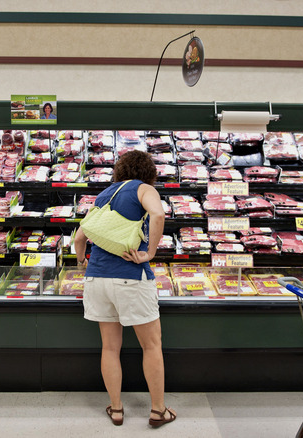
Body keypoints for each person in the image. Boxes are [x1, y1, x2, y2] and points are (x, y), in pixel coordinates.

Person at [74, 150, 176, 428]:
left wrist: (83, 261)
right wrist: (150, 253)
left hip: (97, 280)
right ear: (150, 172)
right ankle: (158, 411)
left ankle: (117, 409)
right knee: (151, 345)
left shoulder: (104, 194)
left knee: (109, 348)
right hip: (130, 278)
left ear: (119, 171)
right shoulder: (144, 189)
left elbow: (80, 236)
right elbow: (158, 215)